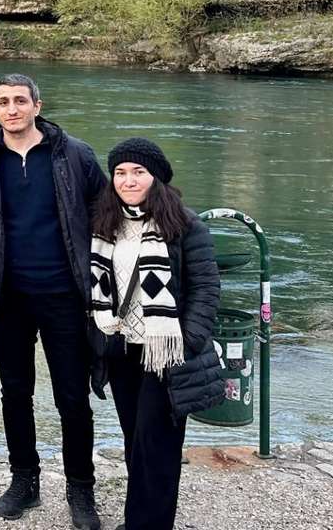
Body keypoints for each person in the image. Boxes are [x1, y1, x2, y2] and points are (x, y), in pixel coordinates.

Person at [0, 74, 108, 530]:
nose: (12, 109)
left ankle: (81, 488)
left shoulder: (74, 155)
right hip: (7, 297)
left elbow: (105, 215)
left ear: (37, 106)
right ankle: (24, 479)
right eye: (3, 102)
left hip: (66, 294)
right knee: (15, 392)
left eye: (20, 101)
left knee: (72, 397)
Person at [89, 139, 222, 530]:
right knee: (135, 440)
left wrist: (188, 340)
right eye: (120, 172)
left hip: (166, 351)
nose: (128, 180)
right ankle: (142, 520)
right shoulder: (105, 225)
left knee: (157, 445)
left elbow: (206, 288)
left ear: (156, 178)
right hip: (121, 348)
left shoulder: (185, 225)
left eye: (138, 172)